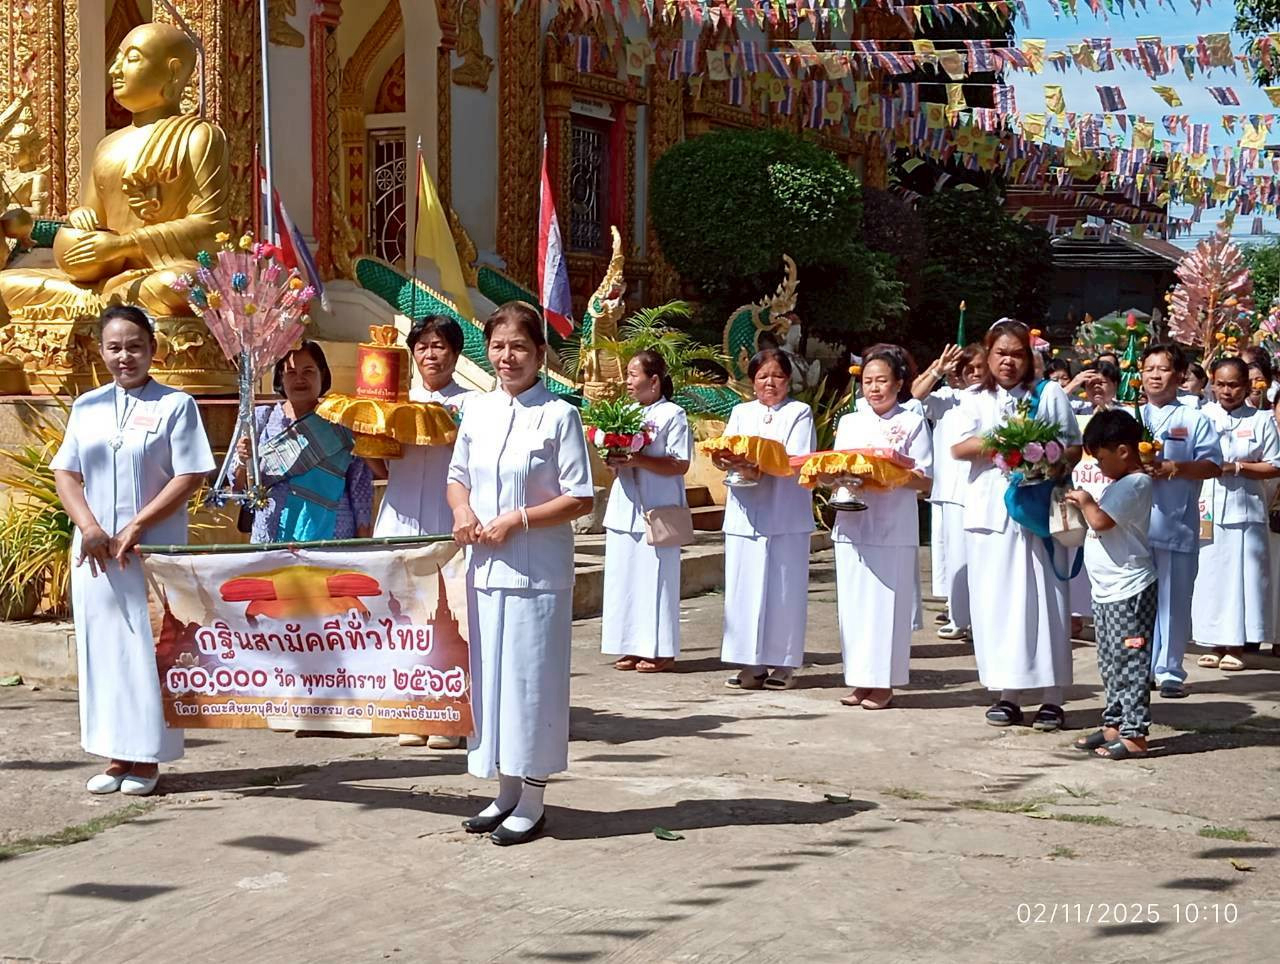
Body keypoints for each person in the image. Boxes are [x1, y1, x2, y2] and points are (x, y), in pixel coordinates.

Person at [51, 305, 215, 796]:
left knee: (149, 650)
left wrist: (137, 526)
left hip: (153, 551)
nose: (126, 356)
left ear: (153, 349)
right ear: (101, 352)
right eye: (116, 347)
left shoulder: (176, 405)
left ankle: (148, 758)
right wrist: (91, 527)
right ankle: (115, 754)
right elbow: (66, 472)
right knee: (104, 651)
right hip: (98, 554)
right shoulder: (87, 407)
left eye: (135, 346)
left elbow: (190, 474)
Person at [447, 301, 594, 846]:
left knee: (533, 685)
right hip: (485, 571)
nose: (508, 358)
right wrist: (462, 511)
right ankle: (505, 790)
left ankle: (533, 797)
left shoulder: (560, 416)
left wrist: (518, 519)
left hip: (537, 574)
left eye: (520, 348)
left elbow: (580, 496)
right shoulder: (478, 412)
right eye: (499, 346)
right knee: (494, 683)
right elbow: (457, 476)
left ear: (540, 355)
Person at [953, 320, 1082, 731]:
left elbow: (1073, 446)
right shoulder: (973, 399)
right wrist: (1009, 442)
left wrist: (1046, 459)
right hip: (990, 514)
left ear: (1029, 358)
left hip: (1038, 510)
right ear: (988, 357)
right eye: (1000, 353)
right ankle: (1006, 694)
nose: (1008, 361)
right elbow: (959, 447)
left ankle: (1052, 696)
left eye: (1017, 354)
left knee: (1046, 601)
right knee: (997, 605)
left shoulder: (1049, 394)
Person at [366, 315, 474, 750]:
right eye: (424, 346)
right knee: (401, 617)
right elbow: (378, 465)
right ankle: (409, 709)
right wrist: (366, 435)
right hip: (399, 513)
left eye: (440, 346)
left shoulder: (473, 405)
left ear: (455, 353)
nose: (431, 355)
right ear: (412, 353)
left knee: (448, 618)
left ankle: (447, 710)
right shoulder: (392, 400)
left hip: (448, 519)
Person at [833, 345, 933, 710]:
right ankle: (859, 680)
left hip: (893, 524)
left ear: (899, 383)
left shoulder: (911, 420)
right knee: (854, 605)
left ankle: (885, 683)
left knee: (886, 606)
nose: (875, 389)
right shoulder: (850, 422)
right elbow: (837, 466)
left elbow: (925, 479)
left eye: (883, 381)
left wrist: (890, 474)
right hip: (853, 521)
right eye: (869, 381)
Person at [715, 348, 816, 691]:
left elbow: (796, 459)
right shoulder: (741, 411)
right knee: (744, 590)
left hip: (785, 513)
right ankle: (750, 663)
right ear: (752, 381)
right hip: (745, 513)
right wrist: (727, 461)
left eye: (776, 376)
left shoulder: (799, 413)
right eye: (762, 377)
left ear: (788, 380)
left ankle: (784, 664)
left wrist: (757, 465)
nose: (769, 383)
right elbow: (727, 449)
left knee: (783, 590)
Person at [1064, 410, 1158, 760]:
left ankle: (1135, 733)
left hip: (1129, 588)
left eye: (1101, 458)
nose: (1099, 466)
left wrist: (1086, 501)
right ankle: (1114, 723)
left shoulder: (1136, 483)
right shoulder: (1120, 483)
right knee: (1109, 659)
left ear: (1123, 451)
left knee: (1130, 660)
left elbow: (1102, 522)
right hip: (1108, 590)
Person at [1138, 343, 1221, 697]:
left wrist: (1174, 467)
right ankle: (1140, 666)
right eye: (1149, 369)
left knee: (1173, 599)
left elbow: (1213, 464)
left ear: (1180, 375)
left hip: (1175, 521)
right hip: (1134, 525)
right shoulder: (1131, 416)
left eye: (1163, 369)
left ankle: (1170, 669)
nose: (1155, 375)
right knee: (1139, 601)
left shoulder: (1193, 418)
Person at [601, 350, 692, 673]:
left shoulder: (673, 414)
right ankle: (628, 644)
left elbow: (680, 463)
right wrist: (613, 458)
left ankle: (659, 649)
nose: (627, 382)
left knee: (656, 581)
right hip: (625, 506)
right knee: (624, 579)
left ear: (654, 381)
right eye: (627, 374)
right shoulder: (624, 413)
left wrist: (640, 460)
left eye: (633, 375)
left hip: (658, 509)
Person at [230, 341, 373, 543]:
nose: (300, 379)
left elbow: (360, 487)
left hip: (332, 538)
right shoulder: (259, 420)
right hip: (272, 535)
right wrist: (245, 460)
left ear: (322, 374)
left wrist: (364, 546)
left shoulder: (341, 423)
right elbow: (239, 486)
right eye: (291, 372)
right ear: (280, 377)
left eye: (308, 371)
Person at [1191, 357, 1280, 671]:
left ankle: (1238, 645)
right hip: (1207, 510)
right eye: (1222, 384)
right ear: (1212, 384)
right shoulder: (1202, 416)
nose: (1227, 391)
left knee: (1243, 580)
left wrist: (1238, 467)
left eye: (1234, 385)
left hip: (1246, 511)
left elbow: (1275, 464)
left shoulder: (1260, 420)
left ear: (1246, 387)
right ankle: (1213, 641)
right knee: (1211, 578)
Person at [913, 343, 985, 639]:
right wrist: (937, 370)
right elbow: (916, 396)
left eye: (981, 367)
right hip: (952, 491)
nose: (976, 373)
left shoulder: (1000, 399)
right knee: (956, 558)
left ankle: (982, 619)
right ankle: (959, 617)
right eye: (969, 368)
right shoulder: (948, 398)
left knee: (984, 557)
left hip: (986, 488)